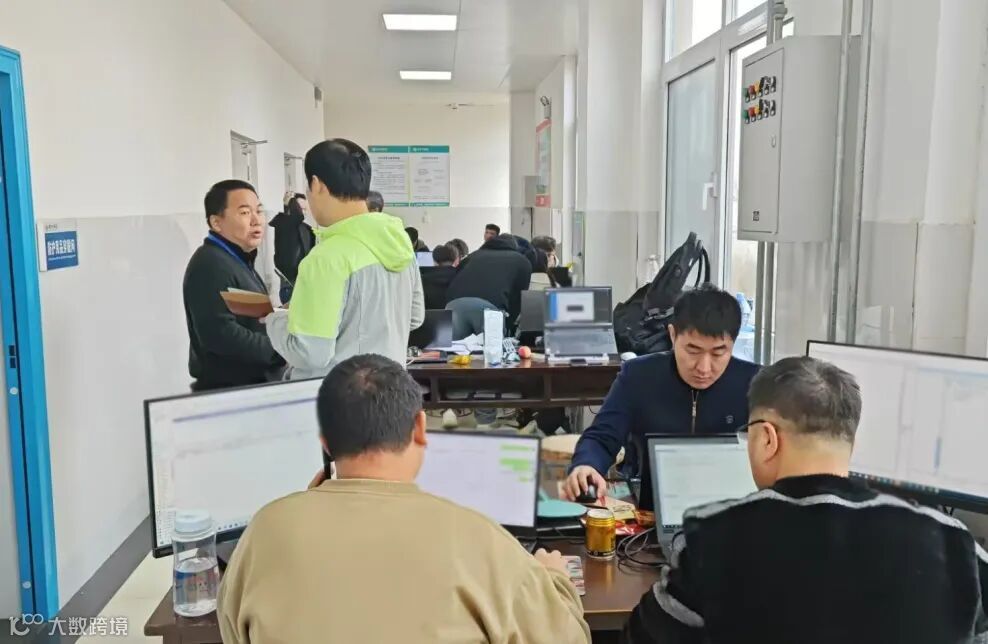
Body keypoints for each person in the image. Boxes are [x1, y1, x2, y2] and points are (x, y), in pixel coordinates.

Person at [218, 354, 591, 644]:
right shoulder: (480, 539)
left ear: (326, 443)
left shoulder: (264, 530)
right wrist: (556, 581)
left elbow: (233, 629)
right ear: (420, 427)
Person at [624, 356, 988, 644]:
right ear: (851, 441)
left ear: (767, 438)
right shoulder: (955, 543)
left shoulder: (713, 541)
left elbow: (641, 638)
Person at [563, 284, 758, 505]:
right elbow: (602, 436)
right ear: (673, 335)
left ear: (733, 343)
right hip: (651, 509)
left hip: (732, 511)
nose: (704, 368)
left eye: (718, 353)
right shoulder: (638, 376)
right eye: (693, 351)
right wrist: (586, 465)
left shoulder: (755, 385)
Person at [265, 139, 424, 379]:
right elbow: (415, 318)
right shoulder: (399, 243)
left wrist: (274, 320)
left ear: (317, 184)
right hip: (390, 389)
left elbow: (310, 353)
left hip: (339, 394)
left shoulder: (326, 257)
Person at [182, 180, 285, 391]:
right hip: (231, 390)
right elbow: (222, 334)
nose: (256, 220)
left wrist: (283, 314)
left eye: (259, 211)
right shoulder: (210, 265)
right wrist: (281, 350)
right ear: (216, 222)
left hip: (255, 384)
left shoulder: (236, 260)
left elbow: (250, 317)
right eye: (245, 212)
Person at [445, 233, 532, 337]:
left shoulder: (473, 255)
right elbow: (518, 298)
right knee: (492, 346)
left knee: (457, 346)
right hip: (489, 308)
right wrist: (508, 327)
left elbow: (455, 278)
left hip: (454, 305)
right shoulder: (521, 261)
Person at [268, 192, 316, 301]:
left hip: (305, 283)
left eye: (305, 209)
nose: (303, 212)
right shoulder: (283, 223)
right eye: (300, 208)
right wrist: (290, 201)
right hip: (290, 285)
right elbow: (297, 216)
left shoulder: (308, 229)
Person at [420, 243, 459, 310]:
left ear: (434, 261)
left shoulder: (422, 280)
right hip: (456, 315)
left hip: (429, 315)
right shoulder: (461, 277)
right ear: (456, 260)